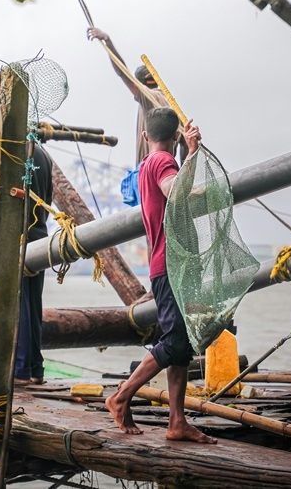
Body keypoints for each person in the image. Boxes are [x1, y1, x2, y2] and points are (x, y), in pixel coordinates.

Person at [105, 107, 216, 444]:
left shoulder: (147, 165)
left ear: (145, 136)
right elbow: (176, 191)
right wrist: (194, 153)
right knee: (175, 341)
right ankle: (122, 395)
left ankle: (177, 422)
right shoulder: (162, 163)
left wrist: (188, 153)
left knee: (181, 347)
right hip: (172, 265)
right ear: (176, 136)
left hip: (167, 264)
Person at [0, 145, 53, 386]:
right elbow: (48, 197)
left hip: (17, 239)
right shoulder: (45, 156)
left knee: (21, 306)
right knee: (32, 305)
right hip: (39, 237)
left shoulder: (9, 151)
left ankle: (22, 370)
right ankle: (35, 368)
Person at [87, 27, 186, 165]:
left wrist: (107, 42)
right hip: (168, 169)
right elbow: (185, 144)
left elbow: (123, 73)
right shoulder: (173, 107)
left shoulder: (149, 97)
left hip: (150, 168)